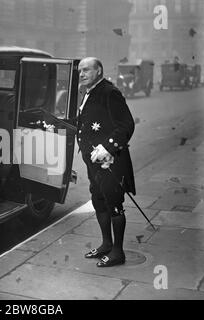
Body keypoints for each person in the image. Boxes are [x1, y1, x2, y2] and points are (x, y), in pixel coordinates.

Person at [76, 57, 135, 267]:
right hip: (93, 161)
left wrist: (107, 147)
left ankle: (118, 252)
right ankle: (106, 244)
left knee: (114, 204)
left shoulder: (110, 92)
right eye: (80, 70)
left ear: (99, 70)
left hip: (111, 161)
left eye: (86, 70)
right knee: (98, 200)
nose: (81, 74)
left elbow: (126, 125)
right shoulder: (88, 92)